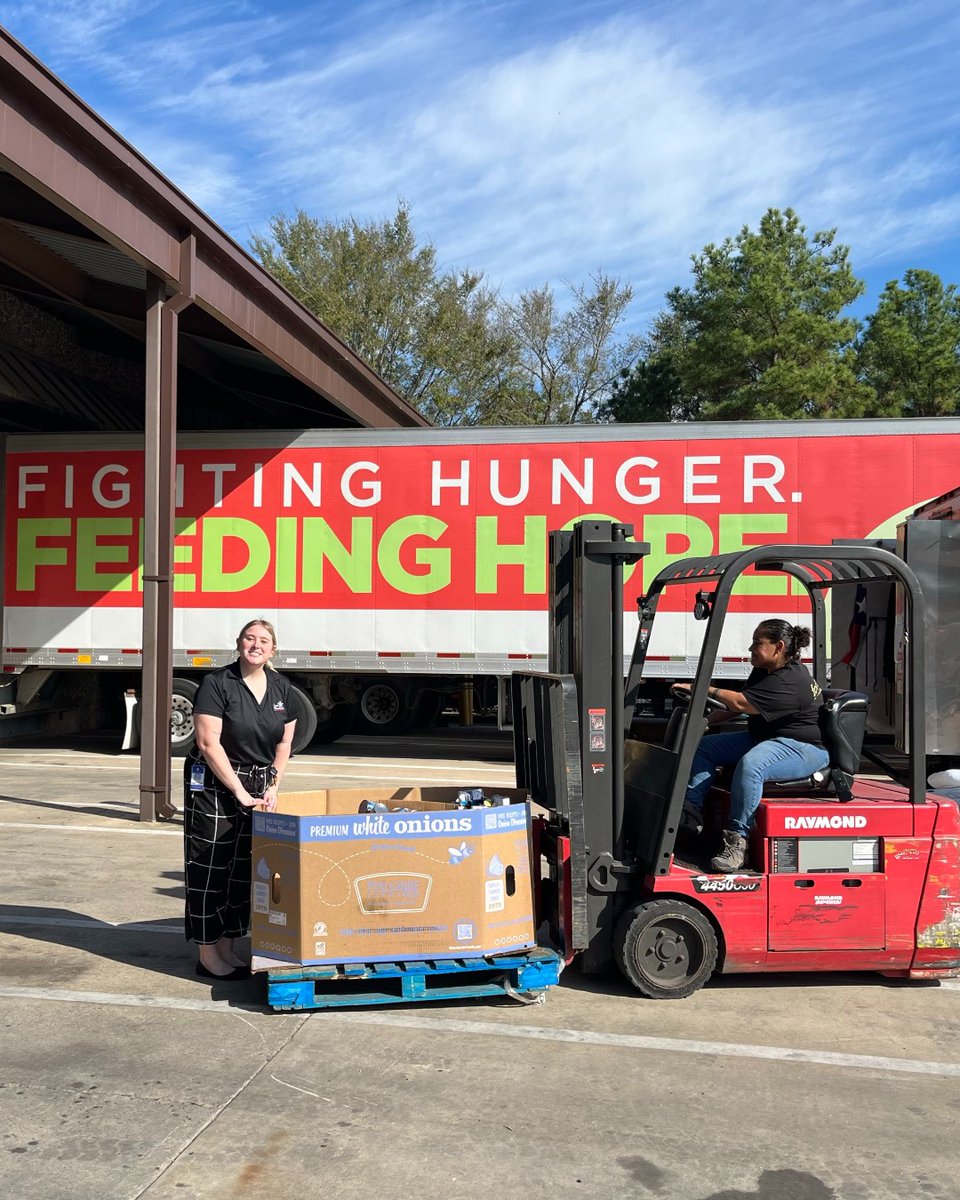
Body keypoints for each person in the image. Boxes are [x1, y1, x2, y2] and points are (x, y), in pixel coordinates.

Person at [184, 618, 296, 980]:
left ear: (273, 649)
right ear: (239, 643)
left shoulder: (282, 688)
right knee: (210, 866)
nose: (256, 645)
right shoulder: (217, 684)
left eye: (264, 640)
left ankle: (228, 948)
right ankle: (207, 954)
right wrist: (238, 790)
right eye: (250, 638)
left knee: (243, 871)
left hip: (259, 783)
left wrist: (273, 785)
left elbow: (284, 743)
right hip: (217, 782)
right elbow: (207, 743)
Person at [677, 620, 829, 873]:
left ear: (778, 647)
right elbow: (737, 705)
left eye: (758, 643)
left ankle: (738, 841)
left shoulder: (789, 681)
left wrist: (699, 689)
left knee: (752, 765)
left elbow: (739, 704)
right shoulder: (765, 671)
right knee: (705, 747)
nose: (751, 648)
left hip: (803, 748)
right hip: (768, 738)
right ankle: (690, 815)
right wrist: (704, 722)